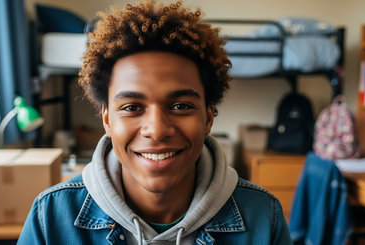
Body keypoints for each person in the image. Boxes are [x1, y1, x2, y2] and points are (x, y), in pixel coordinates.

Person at [17, 1, 292, 244]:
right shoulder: (50, 218)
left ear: (208, 117)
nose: (157, 130)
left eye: (181, 106)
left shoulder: (263, 217)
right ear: (107, 119)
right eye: (132, 107)